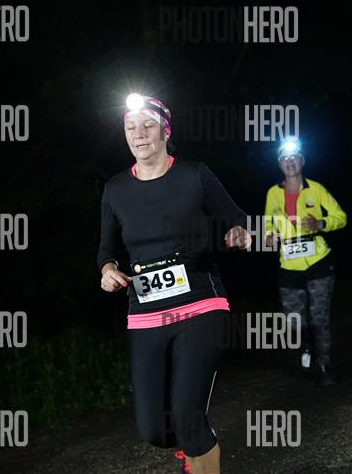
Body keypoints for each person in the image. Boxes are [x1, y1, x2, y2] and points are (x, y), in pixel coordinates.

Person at [98, 94, 250, 474]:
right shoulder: (115, 189)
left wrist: (238, 232)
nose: (139, 134)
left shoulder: (194, 174)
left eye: (147, 125)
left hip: (200, 304)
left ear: (165, 130)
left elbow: (236, 218)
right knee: (154, 430)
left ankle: (196, 441)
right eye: (130, 128)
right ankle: (188, 445)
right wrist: (108, 270)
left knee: (188, 418)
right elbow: (106, 250)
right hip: (145, 314)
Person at [264, 141, 347, 386]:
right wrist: (269, 235)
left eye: (295, 157)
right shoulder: (272, 193)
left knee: (319, 318)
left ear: (302, 161)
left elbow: (340, 217)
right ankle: (307, 344)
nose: (290, 162)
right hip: (289, 266)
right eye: (285, 158)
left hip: (318, 261)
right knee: (295, 322)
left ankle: (324, 366)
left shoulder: (316, 189)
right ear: (279, 164)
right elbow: (268, 223)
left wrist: (321, 223)